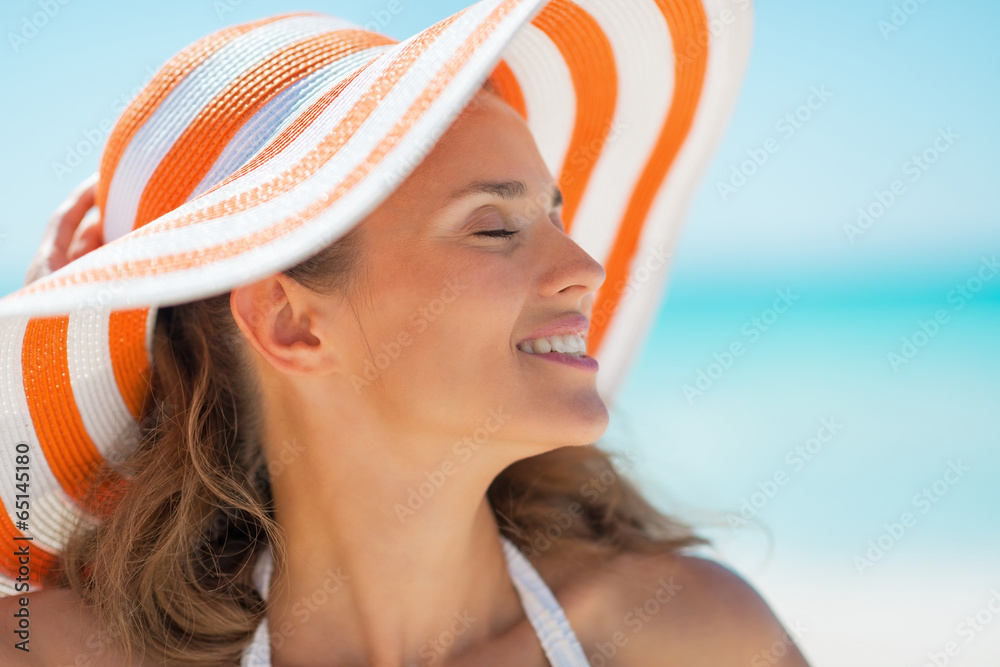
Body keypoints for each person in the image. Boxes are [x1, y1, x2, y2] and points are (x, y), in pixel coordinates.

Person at [1, 2, 809, 665]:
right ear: (290, 322)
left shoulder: (693, 636)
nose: (586, 267)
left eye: (553, 215)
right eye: (492, 226)